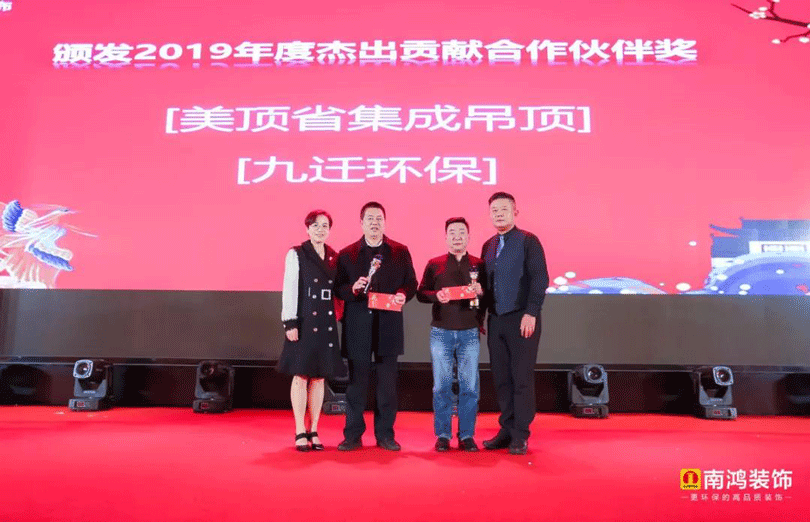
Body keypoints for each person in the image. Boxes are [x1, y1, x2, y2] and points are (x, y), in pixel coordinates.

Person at [334, 202, 418, 451]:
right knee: (356, 386)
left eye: (379, 218)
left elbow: (411, 283)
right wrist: (352, 289)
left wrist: (403, 294)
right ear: (361, 223)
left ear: (385, 222)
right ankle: (352, 435)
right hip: (357, 327)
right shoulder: (347, 254)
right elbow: (337, 288)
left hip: (388, 326)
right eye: (369, 218)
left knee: (387, 386)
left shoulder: (400, 251)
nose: (374, 222)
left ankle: (385, 435)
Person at [480, 192, 549, 455]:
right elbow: (486, 285)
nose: (499, 214)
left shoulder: (529, 241)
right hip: (496, 320)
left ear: (515, 212)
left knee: (521, 378)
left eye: (504, 209)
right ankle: (506, 430)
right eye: (494, 210)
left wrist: (532, 312)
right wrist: (481, 316)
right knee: (502, 378)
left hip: (522, 319)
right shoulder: (488, 246)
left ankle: (521, 434)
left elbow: (540, 278)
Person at [417, 217, 485, 452]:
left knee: (470, 387)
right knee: (441, 387)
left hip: (469, 332)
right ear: (446, 237)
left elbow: (488, 296)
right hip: (441, 332)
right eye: (452, 232)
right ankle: (443, 435)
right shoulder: (434, 264)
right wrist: (436, 295)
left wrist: (481, 291)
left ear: (469, 236)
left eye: (462, 232)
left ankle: (467, 435)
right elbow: (421, 293)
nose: (457, 236)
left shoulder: (479, 264)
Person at [278, 210, 343, 452]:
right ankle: (299, 429)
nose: (320, 229)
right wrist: (290, 322)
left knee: (319, 377)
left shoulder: (334, 256)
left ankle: (314, 429)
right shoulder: (297, 253)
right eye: (315, 225)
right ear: (307, 229)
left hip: (326, 321)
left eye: (325, 225)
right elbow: (290, 288)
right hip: (304, 321)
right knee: (301, 375)